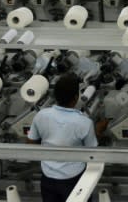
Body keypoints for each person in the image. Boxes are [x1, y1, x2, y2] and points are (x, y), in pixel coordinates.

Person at [27, 73, 108, 202]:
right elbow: (92, 153)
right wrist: (98, 130)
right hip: (73, 180)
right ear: (76, 97)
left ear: (55, 96)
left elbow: (31, 142)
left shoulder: (41, 115)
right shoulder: (84, 122)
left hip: (48, 178)